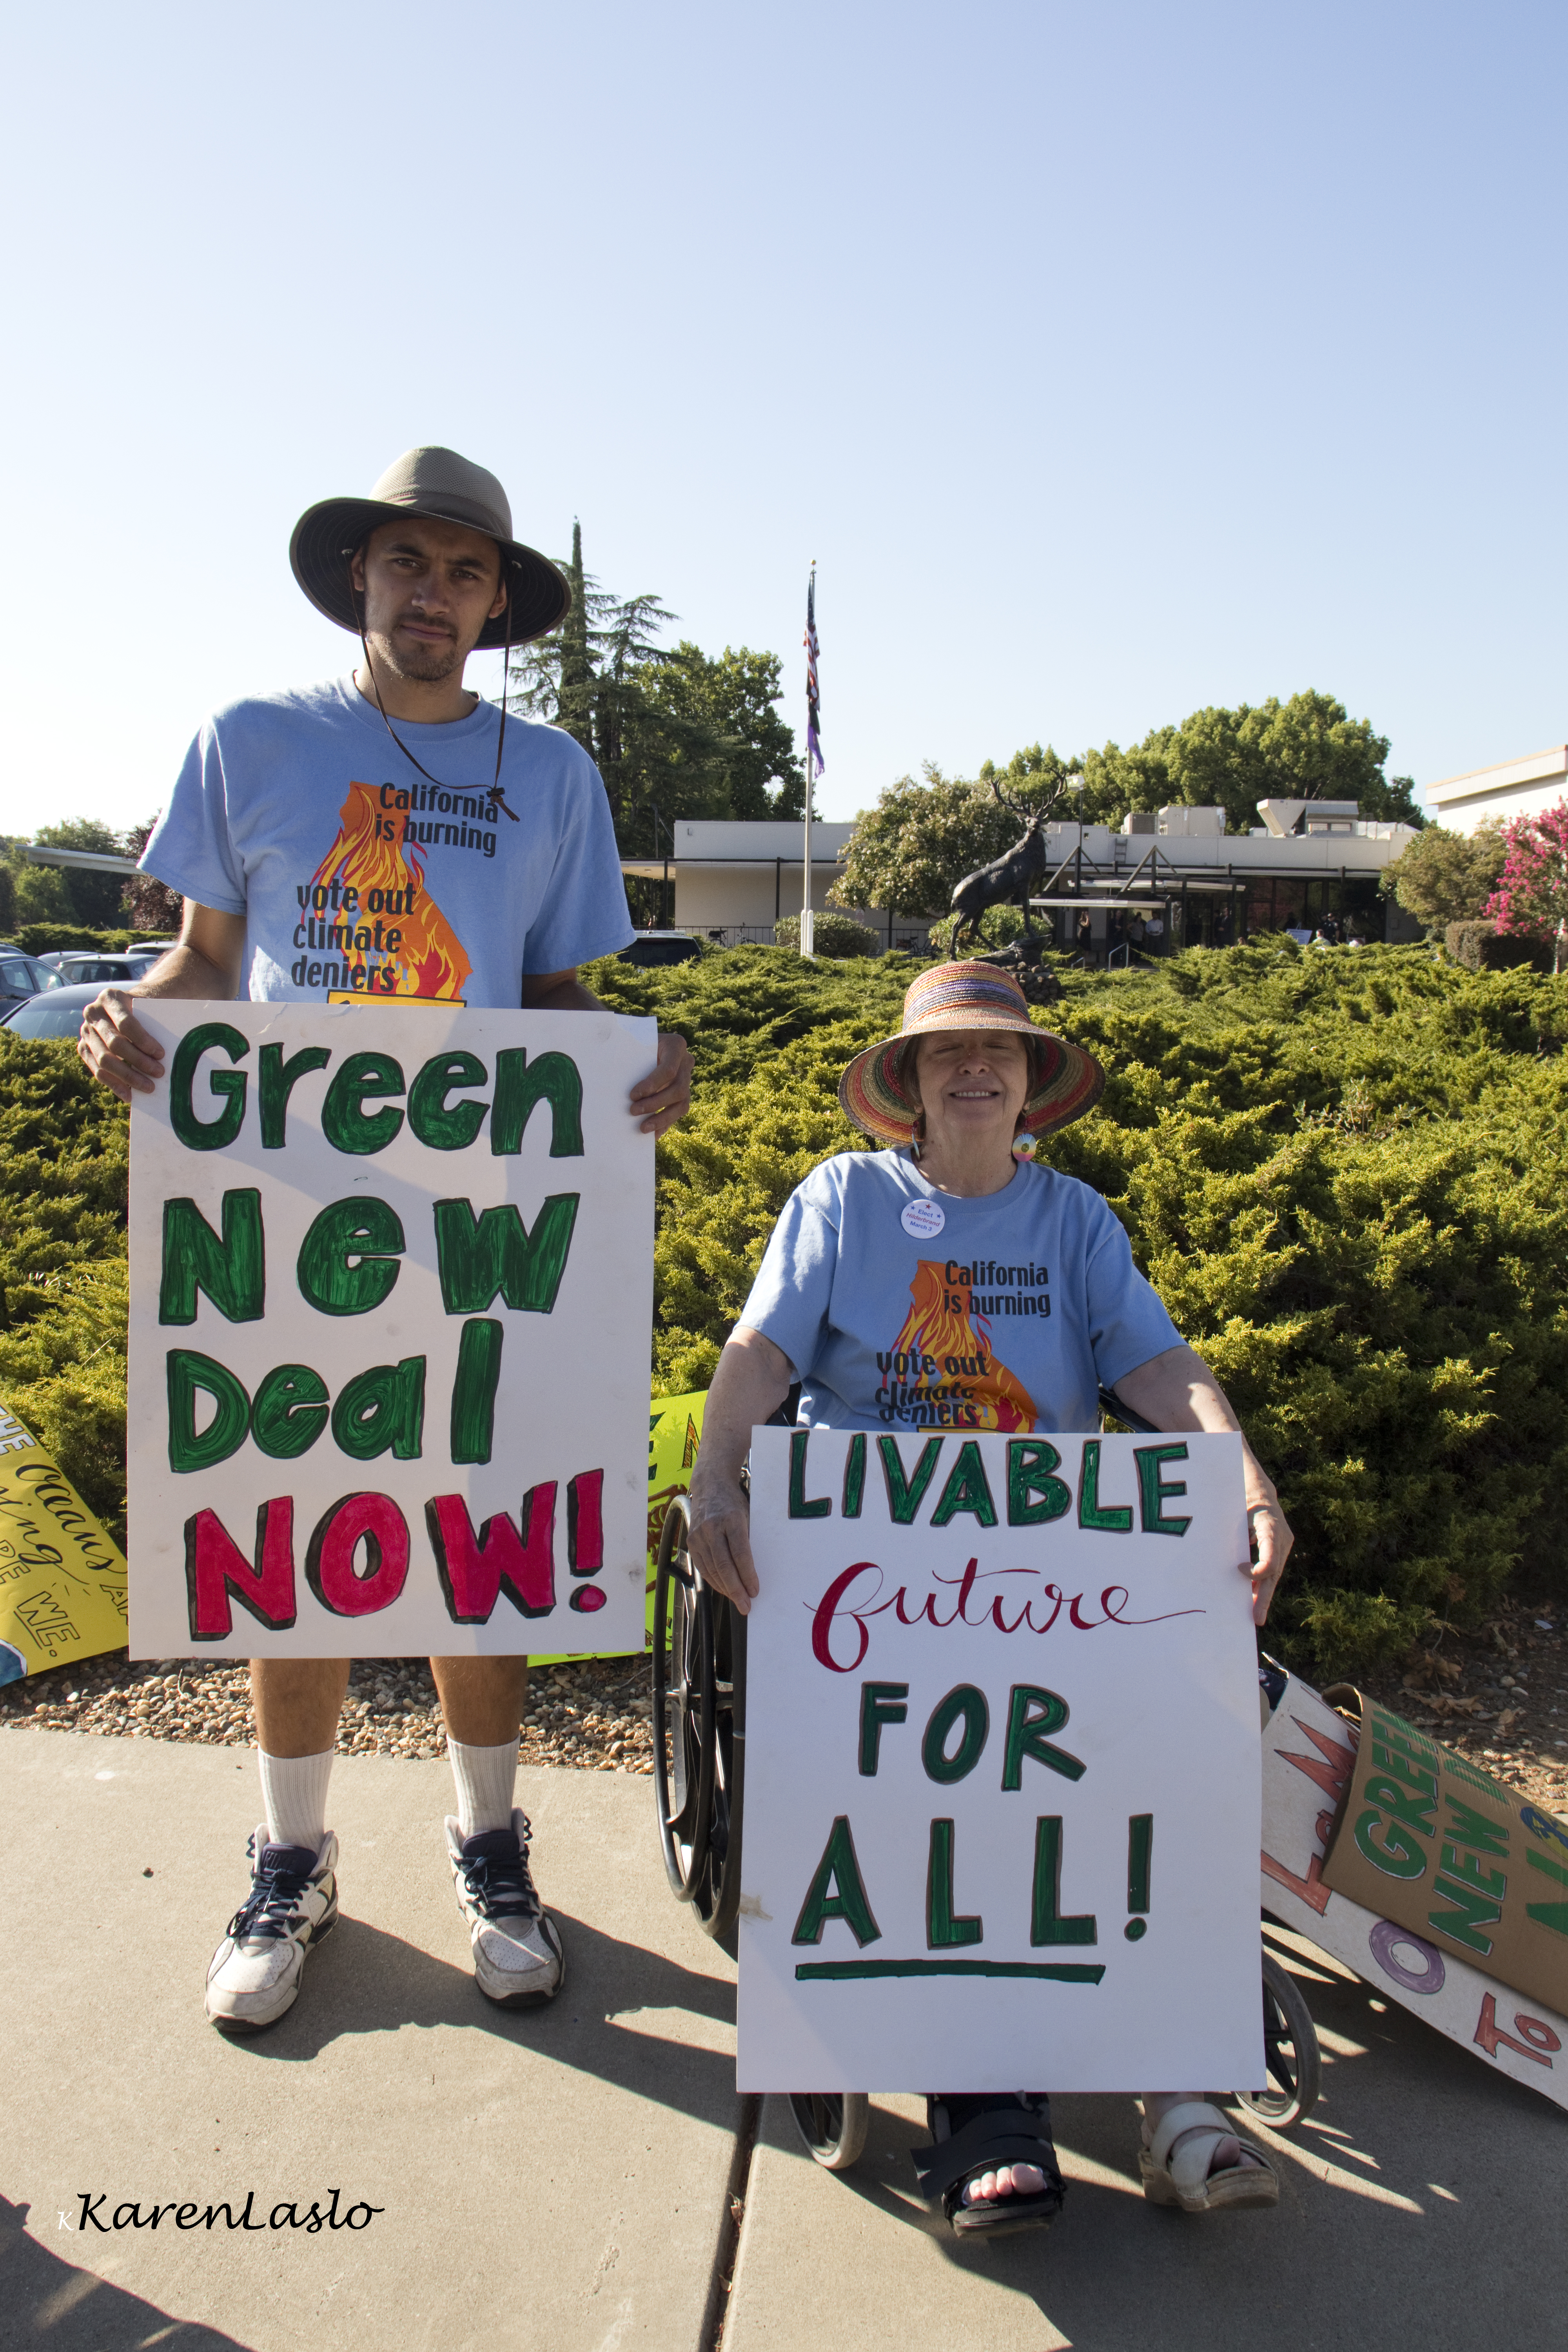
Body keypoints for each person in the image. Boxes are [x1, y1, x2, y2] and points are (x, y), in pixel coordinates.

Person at [78, 445, 693, 2031]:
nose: (435, 597)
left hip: (484, 1217)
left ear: (498, 602)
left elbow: (553, 1000)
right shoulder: (254, 741)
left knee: (474, 1546)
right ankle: (291, 1861)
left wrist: (643, 1056)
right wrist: (124, 1023)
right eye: (408, 565)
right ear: (360, 577)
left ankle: (491, 1842)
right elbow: (208, 966)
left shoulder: (551, 772)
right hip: (286, 1217)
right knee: (293, 1531)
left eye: (466, 573)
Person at [688, 961, 1291, 2237]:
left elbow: (1161, 1366)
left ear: (1031, 1088)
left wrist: (1239, 1471)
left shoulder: (1073, 1224)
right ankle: (978, 2094)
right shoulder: (845, 1201)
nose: (977, 1071)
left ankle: (1176, 2086)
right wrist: (717, 1476)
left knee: (1142, 1761)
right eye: (949, 1054)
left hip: (1043, 1569)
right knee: (935, 1794)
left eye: (1002, 1057)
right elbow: (759, 1356)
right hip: (876, 1580)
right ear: (906, 1083)